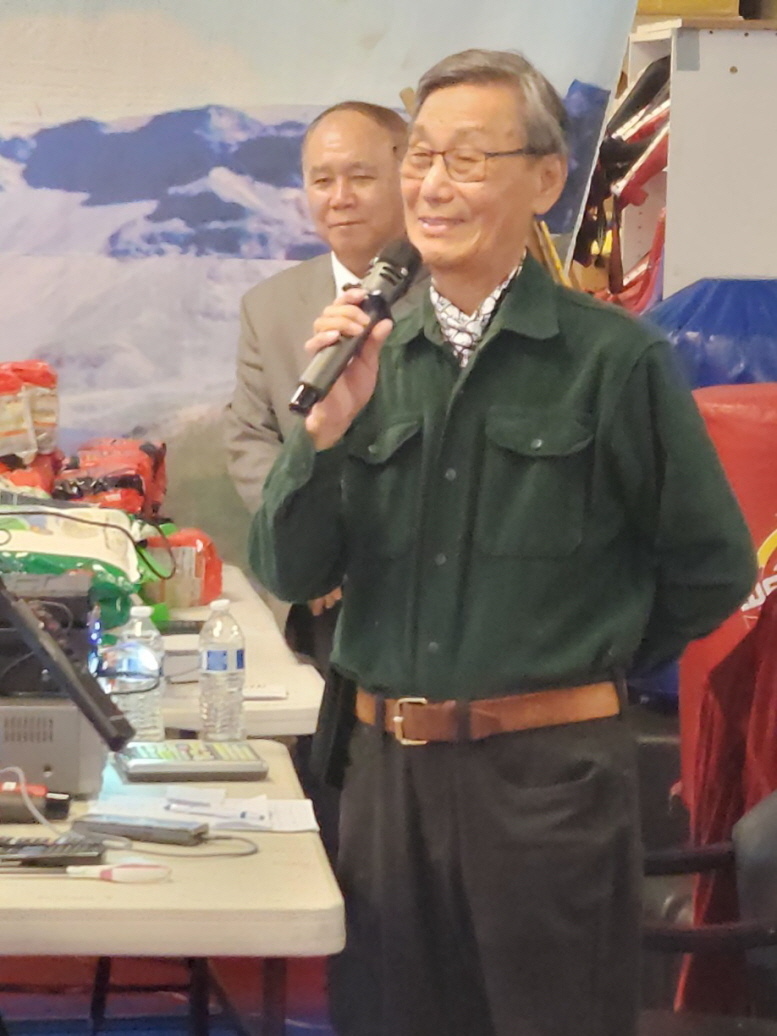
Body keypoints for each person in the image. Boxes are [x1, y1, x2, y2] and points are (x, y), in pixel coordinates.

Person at [250, 49, 756, 1036]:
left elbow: (711, 567)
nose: (432, 186)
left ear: (545, 178)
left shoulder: (612, 360)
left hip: (547, 788)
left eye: (468, 159)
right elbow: (290, 568)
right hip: (384, 785)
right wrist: (322, 439)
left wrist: (579, 654)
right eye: (420, 158)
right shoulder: (368, 355)